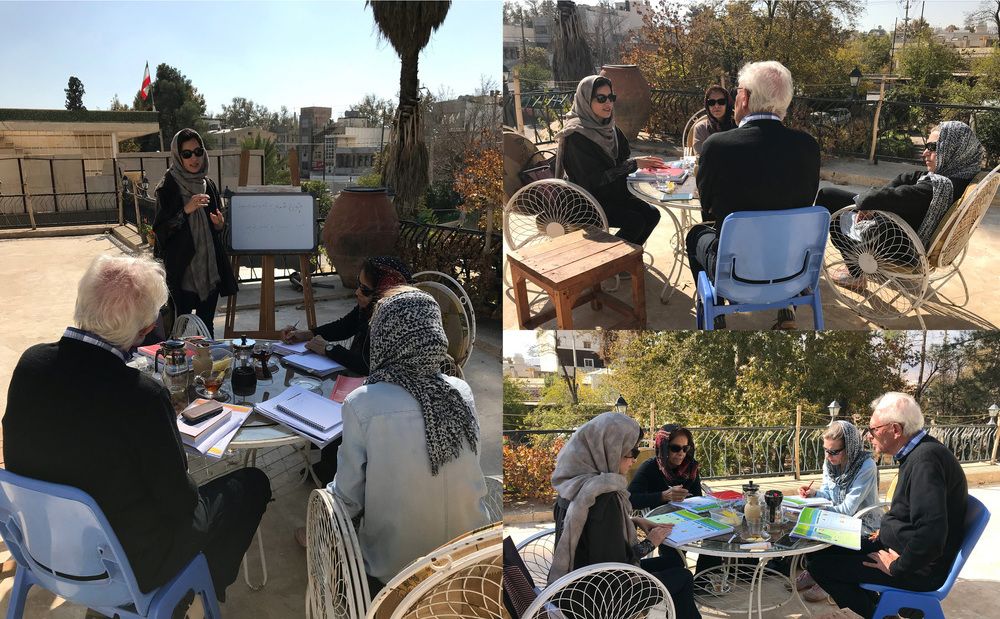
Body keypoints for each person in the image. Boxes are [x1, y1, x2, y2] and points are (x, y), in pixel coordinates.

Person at [3, 254, 271, 606]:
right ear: (146, 329)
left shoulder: (30, 364)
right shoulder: (141, 395)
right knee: (250, 483)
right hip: (124, 563)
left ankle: (191, 585)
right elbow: (181, 503)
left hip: (43, 546)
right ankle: (191, 590)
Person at [330, 287, 489, 595]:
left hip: (395, 576)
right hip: (470, 567)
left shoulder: (362, 403)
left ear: (385, 336)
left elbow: (347, 500)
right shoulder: (461, 392)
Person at [808, 393, 969, 619]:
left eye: (873, 429)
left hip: (916, 567)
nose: (869, 435)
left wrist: (898, 567)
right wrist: (885, 532)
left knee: (821, 566)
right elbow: (912, 514)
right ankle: (882, 611)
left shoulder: (925, 461)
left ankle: (879, 615)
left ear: (895, 430)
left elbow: (932, 532)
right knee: (819, 554)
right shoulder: (919, 453)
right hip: (898, 549)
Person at [686, 61, 820, 329]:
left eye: (736, 93)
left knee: (696, 234)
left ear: (744, 98)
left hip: (737, 274)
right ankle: (787, 311)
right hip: (792, 270)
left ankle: (718, 315)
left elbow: (708, 206)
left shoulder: (717, 147)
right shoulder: (808, 147)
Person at [550, 412, 702, 619]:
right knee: (683, 576)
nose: (634, 458)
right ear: (609, 451)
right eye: (631, 451)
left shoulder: (573, 486)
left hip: (576, 583)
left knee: (673, 563)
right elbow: (616, 565)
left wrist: (634, 521)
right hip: (602, 598)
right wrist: (651, 543)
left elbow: (592, 534)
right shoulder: (604, 497)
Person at [818, 121, 984, 291]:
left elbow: (898, 197)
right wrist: (871, 202)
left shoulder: (938, 187)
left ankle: (854, 273)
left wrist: (867, 203)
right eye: (926, 146)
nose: (925, 153)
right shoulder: (958, 177)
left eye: (933, 147)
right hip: (901, 235)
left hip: (896, 245)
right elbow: (909, 178)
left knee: (828, 198)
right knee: (837, 197)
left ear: (953, 149)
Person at [555, 75, 665, 247]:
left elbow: (623, 159)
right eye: (601, 98)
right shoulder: (576, 135)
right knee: (635, 221)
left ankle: (628, 257)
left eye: (611, 97)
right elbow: (593, 180)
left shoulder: (609, 127)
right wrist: (634, 164)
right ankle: (614, 262)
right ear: (585, 100)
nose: (608, 103)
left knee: (652, 214)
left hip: (613, 193)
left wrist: (640, 168)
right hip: (587, 202)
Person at [153, 128, 237, 338]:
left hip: (209, 271)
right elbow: (161, 231)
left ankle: (206, 367)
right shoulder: (168, 187)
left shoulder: (208, 184)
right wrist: (186, 210)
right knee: (179, 329)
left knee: (206, 327)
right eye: (187, 154)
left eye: (198, 152)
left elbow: (216, 227)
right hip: (182, 273)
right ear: (177, 156)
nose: (194, 158)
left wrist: (219, 225)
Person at [280, 256, 413, 376]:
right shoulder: (370, 307)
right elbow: (346, 326)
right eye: (358, 284)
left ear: (386, 292)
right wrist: (308, 333)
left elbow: (369, 366)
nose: (357, 292)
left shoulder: (401, 323)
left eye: (365, 289)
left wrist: (328, 349)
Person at [793, 419, 880, 603]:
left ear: (849, 448)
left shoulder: (866, 466)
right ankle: (815, 573)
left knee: (814, 527)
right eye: (826, 450)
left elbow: (848, 510)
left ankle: (825, 580)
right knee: (805, 529)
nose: (828, 456)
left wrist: (816, 510)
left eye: (834, 452)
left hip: (863, 525)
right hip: (838, 518)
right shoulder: (830, 464)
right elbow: (828, 494)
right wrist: (814, 493)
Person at [628, 424, 719, 576]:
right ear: (663, 447)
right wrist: (663, 496)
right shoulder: (650, 468)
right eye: (675, 448)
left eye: (685, 448)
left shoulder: (690, 467)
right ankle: (679, 579)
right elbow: (630, 499)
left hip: (688, 517)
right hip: (660, 520)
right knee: (675, 560)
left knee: (716, 534)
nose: (681, 453)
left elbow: (697, 497)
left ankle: (705, 580)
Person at [691, 85, 736, 155]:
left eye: (721, 101)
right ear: (707, 105)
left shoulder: (737, 125)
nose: (716, 106)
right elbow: (700, 156)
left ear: (727, 104)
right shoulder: (701, 128)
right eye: (711, 102)